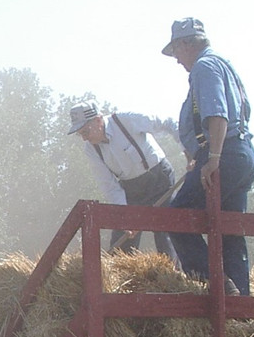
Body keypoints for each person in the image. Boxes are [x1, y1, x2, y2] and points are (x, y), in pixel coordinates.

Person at [162, 18, 254, 295]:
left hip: (225, 153)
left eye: (176, 52)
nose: (177, 60)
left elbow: (217, 113)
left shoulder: (204, 67)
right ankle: (240, 302)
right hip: (242, 153)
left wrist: (213, 156)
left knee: (176, 218)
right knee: (230, 230)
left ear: (185, 44)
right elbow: (244, 111)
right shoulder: (223, 64)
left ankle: (215, 284)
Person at [67, 100, 178, 261]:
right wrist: (124, 217)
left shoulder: (126, 120)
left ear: (98, 120)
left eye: (86, 131)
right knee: (122, 242)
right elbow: (110, 186)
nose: (84, 138)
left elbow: (167, 123)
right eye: (81, 134)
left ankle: (173, 281)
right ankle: (120, 285)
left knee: (165, 232)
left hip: (159, 179)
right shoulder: (91, 149)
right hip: (131, 190)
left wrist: (188, 151)